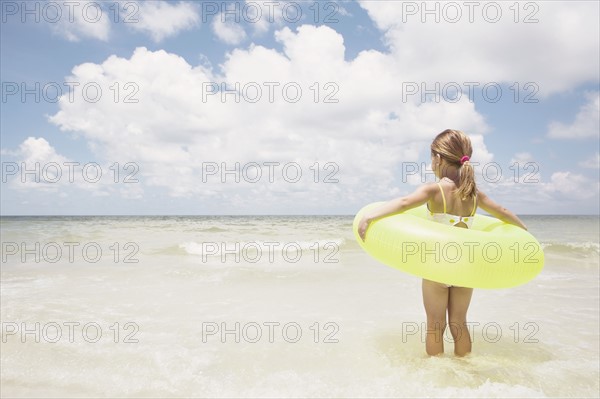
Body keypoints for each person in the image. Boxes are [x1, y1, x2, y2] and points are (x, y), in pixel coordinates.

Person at [357, 129, 527, 357]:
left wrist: (371, 216)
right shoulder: (474, 193)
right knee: (459, 323)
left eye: (431, 158)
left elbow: (405, 202)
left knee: (435, 325)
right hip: (465, 269)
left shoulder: (433, 190)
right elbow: (502, 211)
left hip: (438, 267)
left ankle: (437, 375)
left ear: (438, 159)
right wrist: (524, 232)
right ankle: (465, 369)